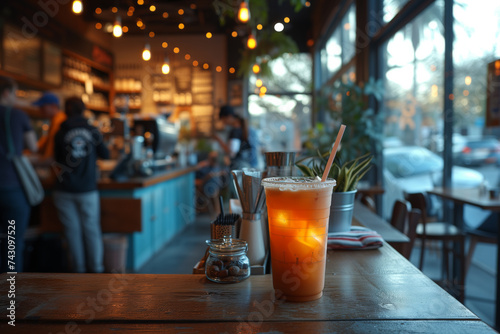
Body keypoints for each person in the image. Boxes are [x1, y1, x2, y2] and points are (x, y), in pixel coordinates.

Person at [52, 97, 110, 273]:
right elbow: (106, 154)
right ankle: (97, 270)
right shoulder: (92, 130)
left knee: (72, 231)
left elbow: (55, 159)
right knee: (91, 229)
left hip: (64, 189)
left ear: (65, 111)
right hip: (87, 189)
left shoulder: (60, 131)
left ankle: (78, 271)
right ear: (84, 110)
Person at [0, 76, 38, 272]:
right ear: (6, 93)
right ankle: (12, 296)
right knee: (13, 244)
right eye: (14, 93)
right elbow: (33, 146)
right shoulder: (17, 115)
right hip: (12, 188)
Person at [212, 105, 258, 169]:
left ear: (229, 117)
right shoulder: (249, 129)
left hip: (241, 169)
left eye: (223, 120)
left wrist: (218, 140)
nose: (223, 123)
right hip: (252, 166)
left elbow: (231, 153)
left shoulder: (235, 131)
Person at [34, 92, 66, 160]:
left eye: (42, 107)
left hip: (59, 168)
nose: (40, 110)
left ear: (53, 106)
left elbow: (50, 156)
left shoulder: (59, 121)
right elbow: (44, 143)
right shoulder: (54, 120)